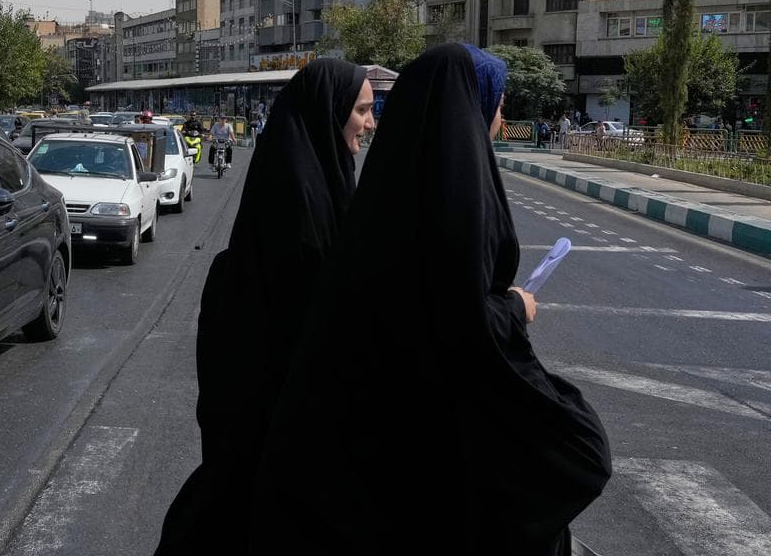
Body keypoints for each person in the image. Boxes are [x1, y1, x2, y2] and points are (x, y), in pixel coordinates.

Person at [249, 44, 611, 554]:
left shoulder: (381, 203)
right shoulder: (448, 208)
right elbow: (452, 317)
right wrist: (511, 309)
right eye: (498, 104)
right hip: (414, 449)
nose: (502, 120)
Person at [156, 59, 375, 555]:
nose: (370, 121)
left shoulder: (320, 180)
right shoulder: (301, 208)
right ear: (331, 112)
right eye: (361, 110)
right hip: (284, 443)